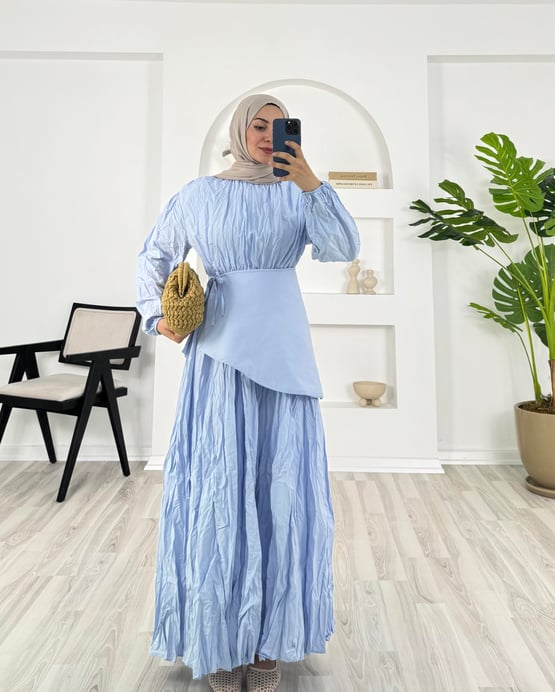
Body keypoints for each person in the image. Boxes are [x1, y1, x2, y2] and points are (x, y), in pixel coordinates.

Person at [136, 93, 359, 692]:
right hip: (220, 352)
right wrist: (156, 315)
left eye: (278, 126)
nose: (267, 135)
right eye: (258, 125)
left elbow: (343, 248)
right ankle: (220, 643)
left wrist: (309, 179)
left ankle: (267, 647)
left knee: (278, 491)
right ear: (239, 131)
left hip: (283, 350)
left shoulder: (299, 191)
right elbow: (154, 254)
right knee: (221, 486)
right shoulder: (198, 195)